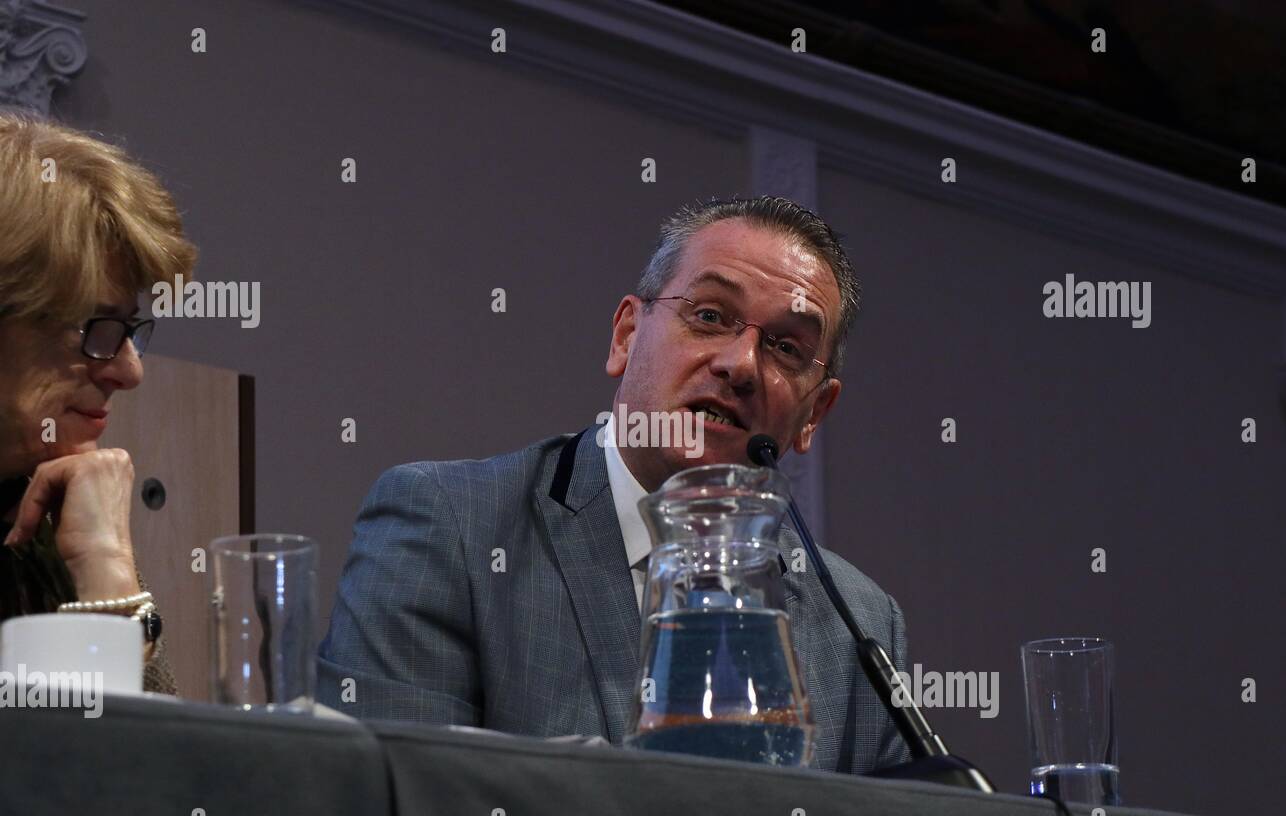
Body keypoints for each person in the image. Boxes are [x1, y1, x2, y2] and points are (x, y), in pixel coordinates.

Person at [319, 196, 909, 773]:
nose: (742, 364)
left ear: (814, 414)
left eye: (785, 347)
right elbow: (393, 804)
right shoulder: (450, 527)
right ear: (626, 335)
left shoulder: (860, 621)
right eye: (708, 316)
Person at [0, 113, 198, 694]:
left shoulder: (52, 522)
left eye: (130, 329)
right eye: (97, 326)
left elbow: (138, 774)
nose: (129, 370)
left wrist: (104, 568)